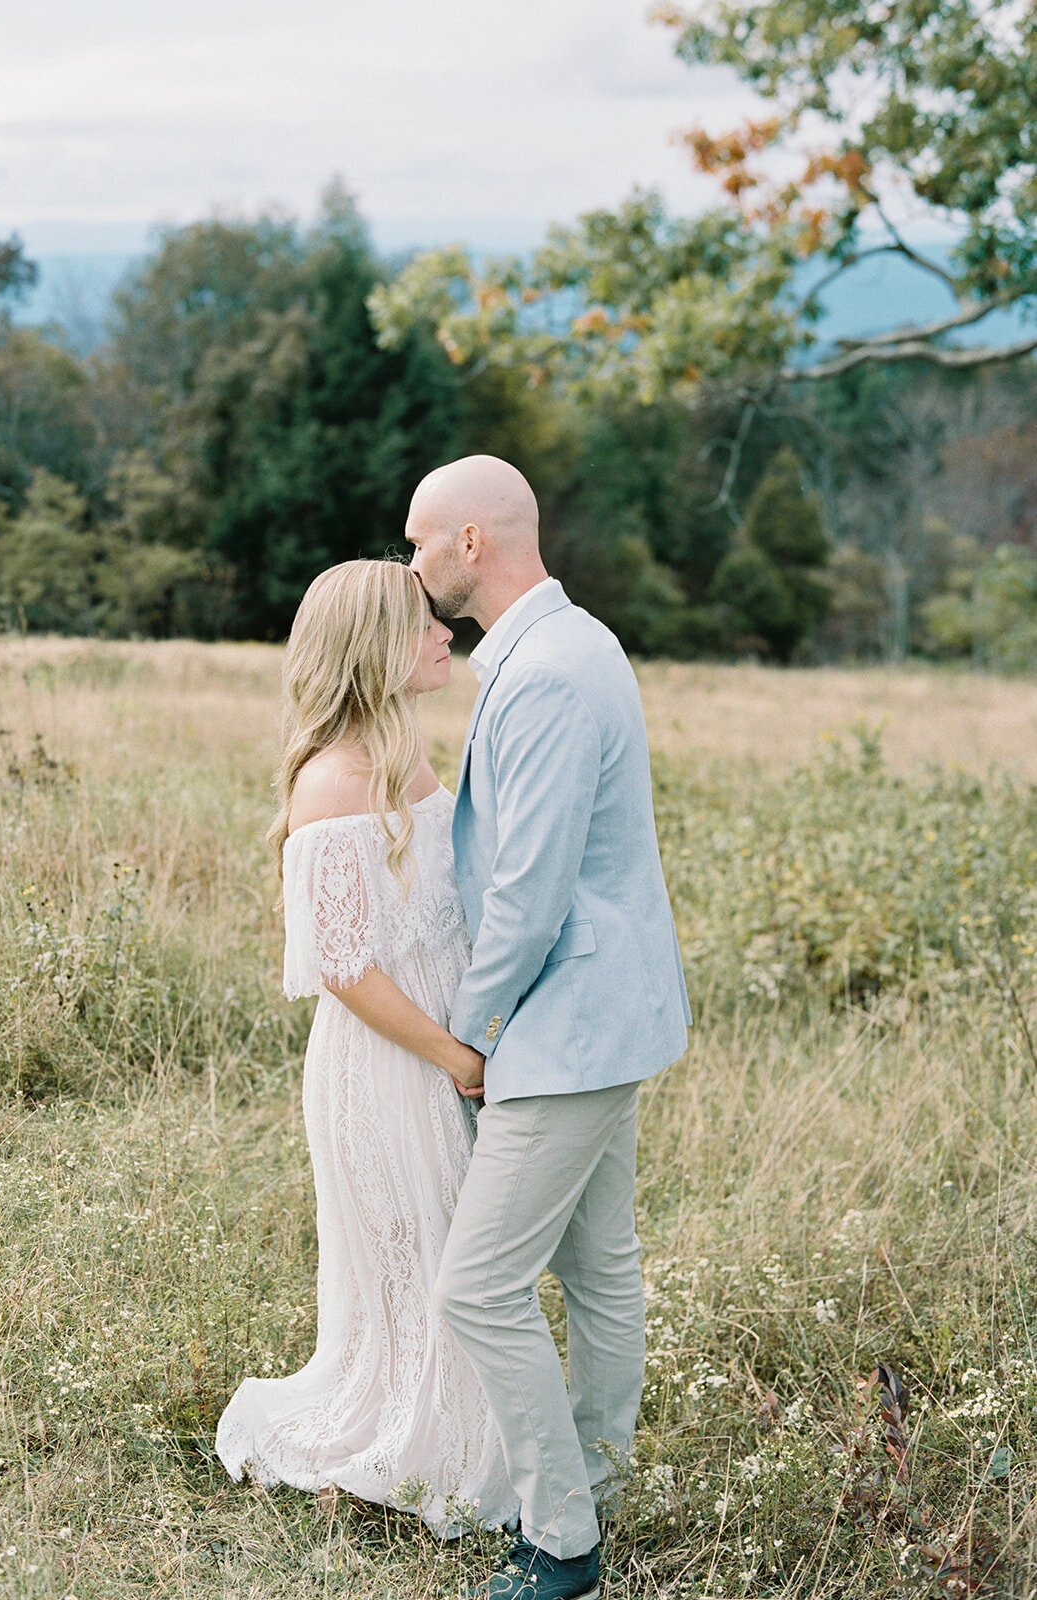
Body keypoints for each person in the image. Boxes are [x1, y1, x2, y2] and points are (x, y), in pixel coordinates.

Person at [406, 455, 692, 1600]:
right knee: (600, 1267)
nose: (411, 558)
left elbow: (527, 893)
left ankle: (563, 1541)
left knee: (476, 1285)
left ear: (473, 540)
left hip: (564, 1022)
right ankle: (596, 1491)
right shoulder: (560, 647)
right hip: (600, 1011)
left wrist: (472, 1032)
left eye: (421, 537)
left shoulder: (553, 671)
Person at [215, 559, 517, 1536]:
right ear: (375, 647)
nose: (446, 637)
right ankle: (414, 1446)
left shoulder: (405, 750)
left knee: (456, 1255)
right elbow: (344, 965)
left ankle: (467, 1437)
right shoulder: (334, 782)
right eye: (426, 626)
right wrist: (454, 1055)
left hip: (443, 1040)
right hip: (392, 1061)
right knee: (421, 1256)